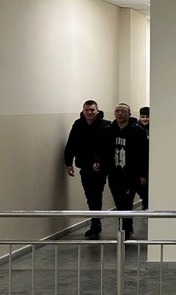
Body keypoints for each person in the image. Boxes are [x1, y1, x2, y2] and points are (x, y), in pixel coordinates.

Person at [98, 103, 149, 238]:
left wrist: (143, 174)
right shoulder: (108, 131)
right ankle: (124, 226)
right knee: (119, 201)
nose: (120, 113)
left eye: (123, 111)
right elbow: (103, 151)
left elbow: (144, 154)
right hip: (114, 174)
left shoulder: (138, 132)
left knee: (127, 202)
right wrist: (101, 166)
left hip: (132, 174)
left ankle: (126, 228)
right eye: (117, 111)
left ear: (129, 114)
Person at [63, 100, 110, 239]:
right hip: (84, 165)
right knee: (90, 196)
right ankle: (95, 223)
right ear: (83, 111)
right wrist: (68, 163)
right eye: (87, 110)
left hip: (100, 167)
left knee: (96, 195)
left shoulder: (106, 125)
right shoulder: (78, 125)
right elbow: (71, 144)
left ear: (97, 110)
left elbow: (107, 147)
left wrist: (100, 161)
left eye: (92, 110)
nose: (89, 112)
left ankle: (95, 225)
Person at [138, 106, 150, 210]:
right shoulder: (136, 129)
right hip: (139, 163)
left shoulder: (155, 128)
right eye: (143, 116)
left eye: (147, 116)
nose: (145, 119)